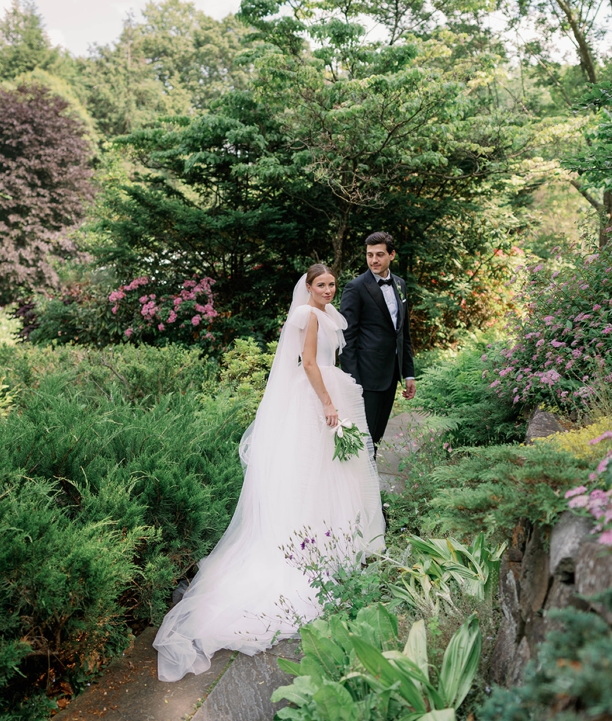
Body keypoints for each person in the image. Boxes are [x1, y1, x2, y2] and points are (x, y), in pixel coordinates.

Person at [154, 264, 384, 681]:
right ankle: (310, 548)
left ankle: (334, 541)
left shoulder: (330, 314)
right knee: (315, 472)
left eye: (332, 284)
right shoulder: (308, 315)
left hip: (330, 390)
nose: (328, 290)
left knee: (333, 472)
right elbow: (310, 363)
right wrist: (328, 404)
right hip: (317, 395)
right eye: (321, 285)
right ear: (308, 288)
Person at [340, 232, 417, 451]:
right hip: (366, 376)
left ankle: (367, 481)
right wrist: (352, 380)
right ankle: (361, 483)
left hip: (391, 375)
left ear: (392, 255)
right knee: (364, 437)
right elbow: (346, 338)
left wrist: (408, 373)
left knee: (376, 437)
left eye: (379, 254)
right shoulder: (355, 288)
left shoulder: (400, 284)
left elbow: (403, 333)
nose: (374, 260)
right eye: (369, 255)